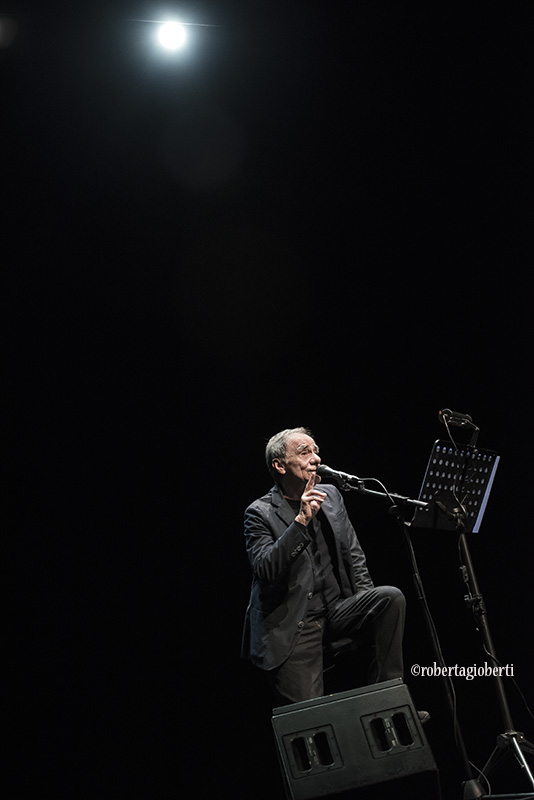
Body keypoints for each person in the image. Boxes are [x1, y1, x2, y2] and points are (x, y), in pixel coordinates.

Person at [241, 426, 418, 712]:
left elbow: (353, 553)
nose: (316, 459)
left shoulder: (331, 495)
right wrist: (300, 522)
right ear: (279, 465)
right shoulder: (259, 513)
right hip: (294, 625)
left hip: (336, 610)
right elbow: (266, 569)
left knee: (390, 598)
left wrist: (364, 606)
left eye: (316, 452)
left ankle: (388, 701)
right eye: (304, 452)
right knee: (312, 723)